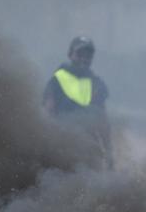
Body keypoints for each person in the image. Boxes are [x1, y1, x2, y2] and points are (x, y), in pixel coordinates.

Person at [43, 36, 113, 169]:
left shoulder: (97, 83)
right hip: (62, 144)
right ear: (70, 54)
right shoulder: (57, 79)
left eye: (87, 56)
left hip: (88, 147)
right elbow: (48, 112)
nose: (83, 59)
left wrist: (109, 153)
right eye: (79, 54)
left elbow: (103, 120)